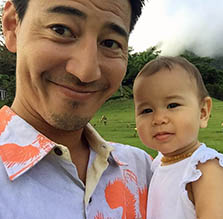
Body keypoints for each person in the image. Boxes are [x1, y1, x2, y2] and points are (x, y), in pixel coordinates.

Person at [0, 0, 152, 218]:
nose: (86, 72)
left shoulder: (142, 170)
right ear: (12, 26)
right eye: (60, 30)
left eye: (110, 43)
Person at [133, 56, 223, 219]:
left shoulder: (205, 169)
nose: (158, 119)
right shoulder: (158, 164)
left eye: (172, 105)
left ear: (203, 112)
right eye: (146, 110)